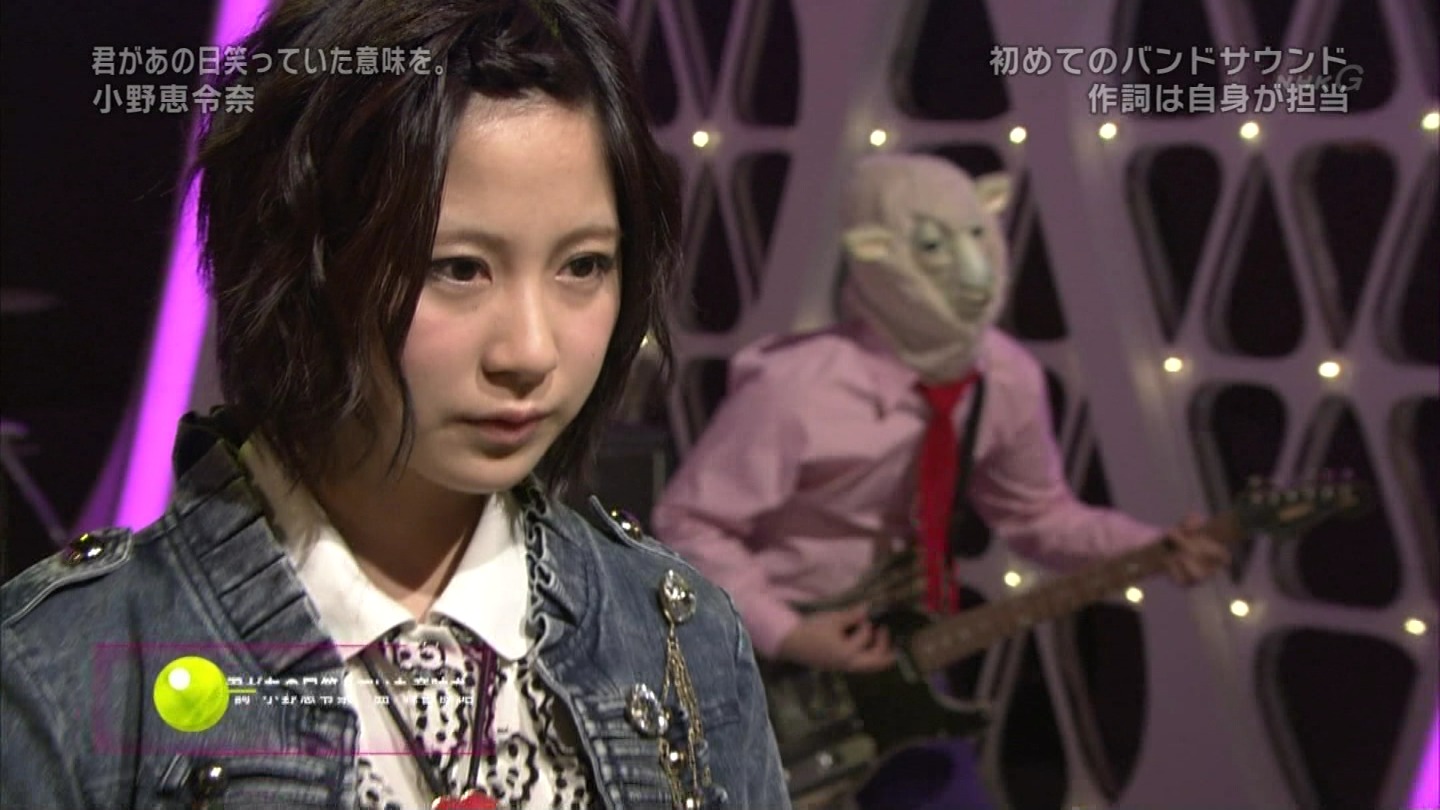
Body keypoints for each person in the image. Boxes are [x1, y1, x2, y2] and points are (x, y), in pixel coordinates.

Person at [0, 2, 790, 808]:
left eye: (583, 266)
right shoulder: (67, 673)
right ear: (297, 261)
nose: (530, 351)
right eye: (457, 268)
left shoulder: (680, 637)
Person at [650, 153, 1230, 810]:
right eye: (931, 247)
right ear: (875, 255)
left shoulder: (1005, 380)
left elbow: (1037, 515)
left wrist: (1152, 547)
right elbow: (690, 521)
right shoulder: (796, 388)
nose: (971, 271)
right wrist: (786, 630)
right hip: (770, 666)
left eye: (977, 233)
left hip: (900, 649)